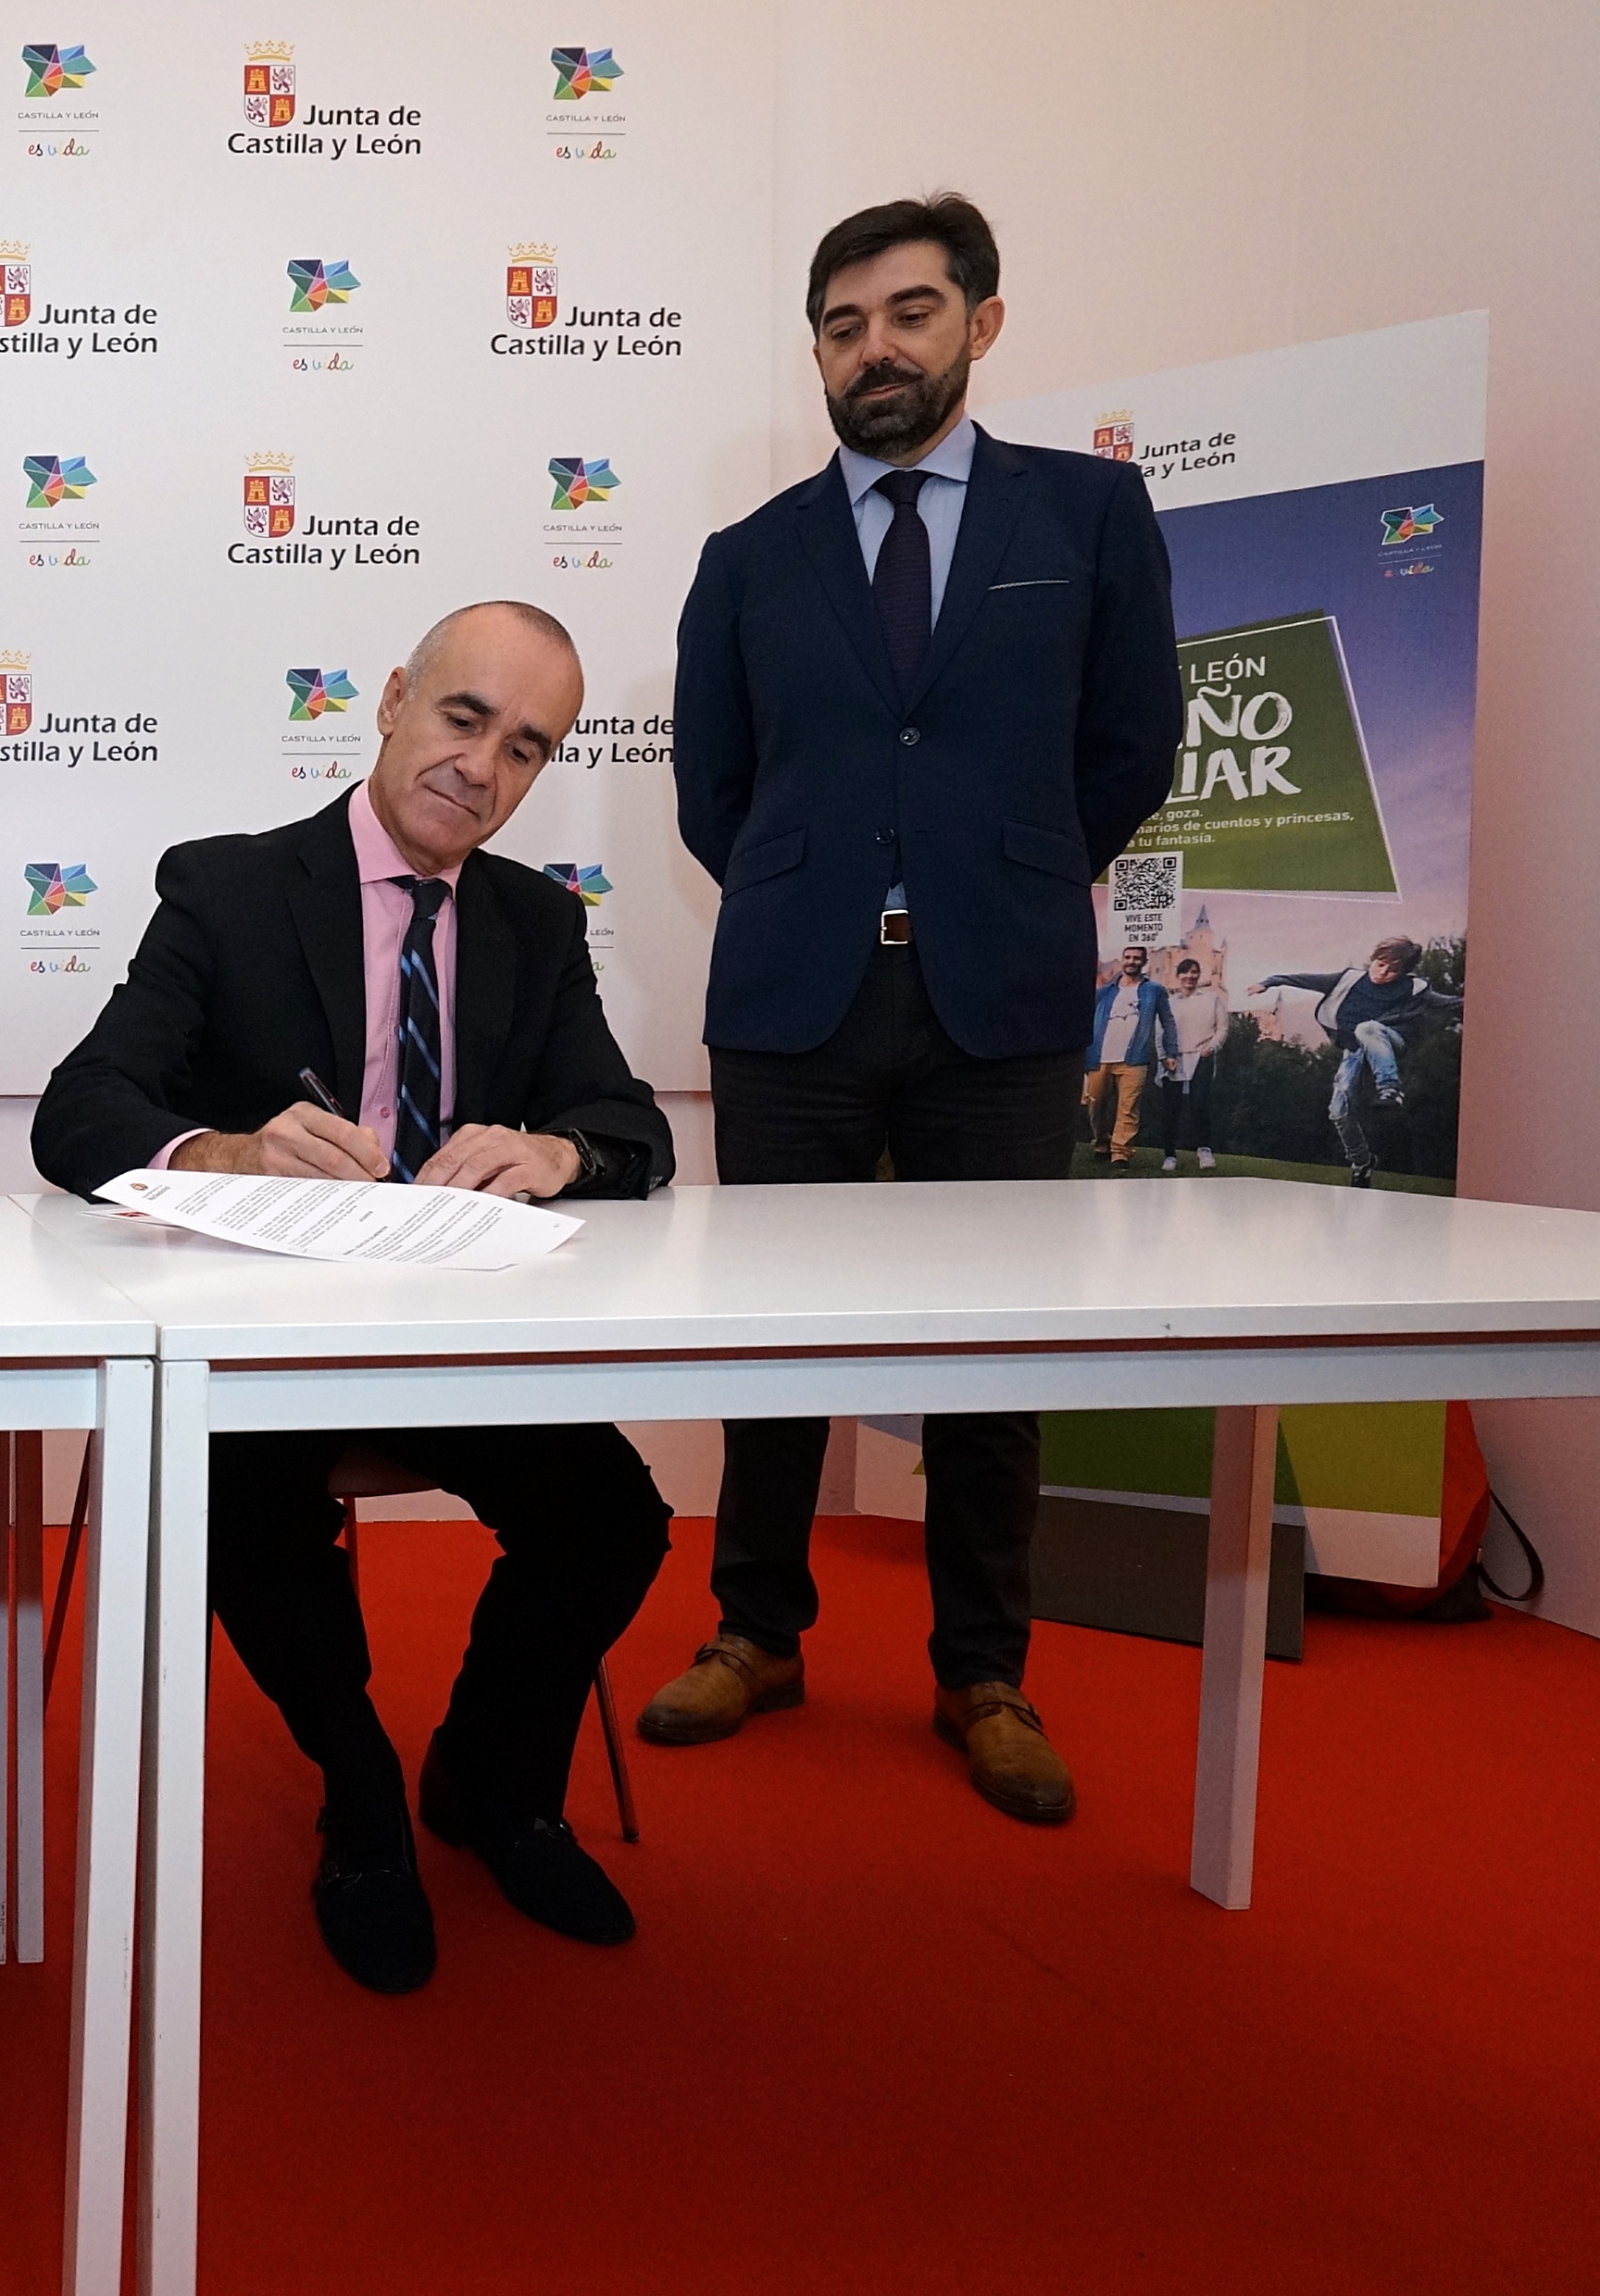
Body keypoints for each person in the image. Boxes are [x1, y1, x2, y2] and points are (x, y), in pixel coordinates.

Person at [34, 603, 675, 1990]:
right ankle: (361, 1794)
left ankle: (489, 1780)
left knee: (614, 1522)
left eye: (524, 747)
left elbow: (630, 1121)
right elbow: (77, 1111)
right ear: (390, 701)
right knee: (248, 1518)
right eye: (462, 718)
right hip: (262, 1349)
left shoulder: (535, 920)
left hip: (459, 1342)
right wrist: (223, 1151)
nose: (481, 768)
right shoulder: (230, 889)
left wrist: (560, 1151)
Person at [662, 192, 1179, 1824]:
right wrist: (817, 893)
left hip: (1000, 994)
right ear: (815, 352)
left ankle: (983, 1671)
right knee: (770, 1342)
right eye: (841, 326)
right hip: (792, 999)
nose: (873, 349)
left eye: (907, 312)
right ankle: (756, 1632)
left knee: (991, 1348)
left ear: (981, 322)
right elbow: (712, 789)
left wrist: (1003, 880)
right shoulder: (747, 558)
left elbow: (1133, 744)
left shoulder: (1088, 513)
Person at [1251, 937, 1460, 1187]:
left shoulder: (1412, 987)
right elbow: (1304, 980)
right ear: (1374, 960)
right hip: (1353, 1054)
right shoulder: (1348, 980)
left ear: (1403, 972)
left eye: (1392, 971)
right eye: (1380, 965)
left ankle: (1390, 1087)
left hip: (1390, 1042)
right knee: (1338, 1112)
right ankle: (1362, 1162)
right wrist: (1269, 982)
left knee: (1367, 1028)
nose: (1383, 973)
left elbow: (1447, 1003)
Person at [1081, 945, 1173, 1168]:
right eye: (1128, 957)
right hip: (1099, 1056)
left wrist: (1170, 1052)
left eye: (1137, 958)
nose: (1131, 961)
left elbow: (1168, 1021)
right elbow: (1085, 1020)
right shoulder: (1104, 992)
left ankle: (1120, 1153)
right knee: (1095, 1106)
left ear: (1144, 962)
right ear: (1122, 960)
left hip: (1135, 1058)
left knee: (1128, 1108)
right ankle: (1102, 1143)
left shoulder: (1154, 991)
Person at [1156, 954, 1227, 1171]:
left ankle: (1204, 1151)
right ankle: (1170, 1155)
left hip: (1201, 1056)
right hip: (1173, 1059)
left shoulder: (1212, 999)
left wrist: (1211, 1047)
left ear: (1199, 975)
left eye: (1194, 972)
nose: (1190, 976)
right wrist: (1164, 1056)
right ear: (1178, 976)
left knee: (1199, 1106)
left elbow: (1222, 1028)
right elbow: (1160, 1032)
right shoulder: (1169, 1003)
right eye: (1185, 972)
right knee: (1171, 1109)